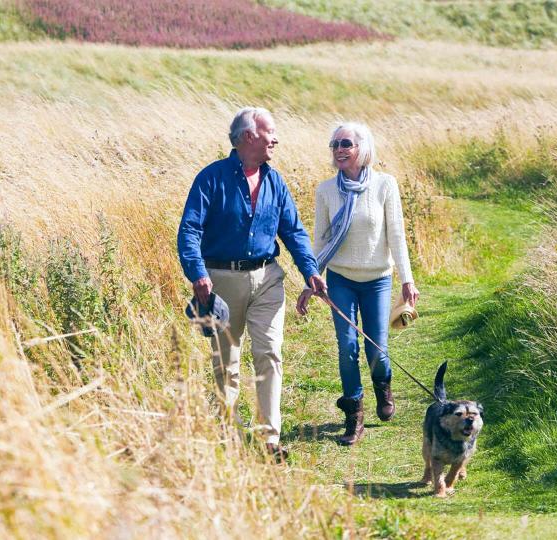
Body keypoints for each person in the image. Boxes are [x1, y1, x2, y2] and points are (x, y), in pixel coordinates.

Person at [177, 107, 326, 462]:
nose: (275, 138)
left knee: (269, 354)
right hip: (220, 282)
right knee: (226, 362)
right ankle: (223, 437)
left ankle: (269, 440)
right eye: (269, 131)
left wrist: (310, 270)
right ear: (249, 136)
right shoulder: (210, 178)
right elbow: (189, 231)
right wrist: (197, 273)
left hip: (268, 278)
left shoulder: (276, 182)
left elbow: (292, 231)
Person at [296, 122, 418, 446]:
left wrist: (407, 279)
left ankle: (383, 385)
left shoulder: (384, 185)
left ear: (361, 147)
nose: (338, 150)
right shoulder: (325, 190)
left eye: (345, 143)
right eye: (334, 144)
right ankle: (354, 415)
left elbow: (397, 236)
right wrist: (312, 279)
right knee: (347, 347)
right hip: (340, 279)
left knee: (376, 348)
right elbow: (320, 240)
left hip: (377, 279)